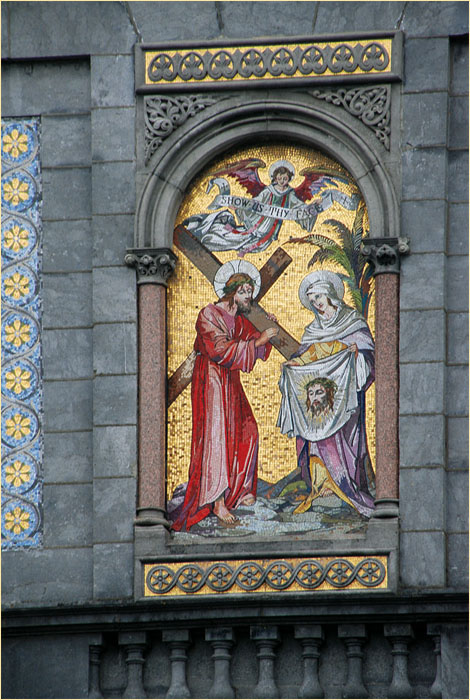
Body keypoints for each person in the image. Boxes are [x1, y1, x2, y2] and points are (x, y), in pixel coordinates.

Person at [171, 260, 278, 531]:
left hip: (230, 381)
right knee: (216, 437)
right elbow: (218, 350)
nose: (248, 297)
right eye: (244, 292)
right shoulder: (208, 314)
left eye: (250, 292)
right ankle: (216, 500)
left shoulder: (240, 319)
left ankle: (241, 491)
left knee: (248, 430)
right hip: (211, 381)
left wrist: (266, 331)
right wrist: (258, 341)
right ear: (231, 292)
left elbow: (255, 344)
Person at [277, 270, 375, 517]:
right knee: (317, 436)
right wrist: (294, 364)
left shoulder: (353, 322)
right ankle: (323, 485)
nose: (316, 303)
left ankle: (346, 483)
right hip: (320, 403)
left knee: (346, 439)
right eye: (312, 300)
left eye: (319, 297)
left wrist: (356, 356)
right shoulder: (312, 330)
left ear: (330, 294)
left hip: (346, 398)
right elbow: (308, 357)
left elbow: (369, 356)